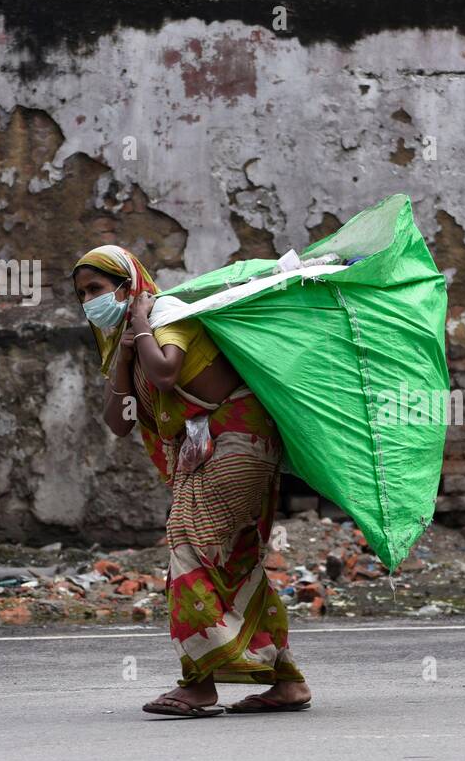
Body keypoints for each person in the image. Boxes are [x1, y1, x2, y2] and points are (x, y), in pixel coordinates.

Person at [73, 245, 311, 717]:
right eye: (81, 293)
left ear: (128, 284)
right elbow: (119, 421)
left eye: (96, 289)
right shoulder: (126, 338)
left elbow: (165, 373)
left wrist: (142, 323)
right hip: (204, 446)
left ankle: (199, 686)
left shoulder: (168, 311)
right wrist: (124, 351)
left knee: (189, 550)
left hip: (238, 435)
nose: (89, 301)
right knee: (235, 557)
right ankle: (285, 682)